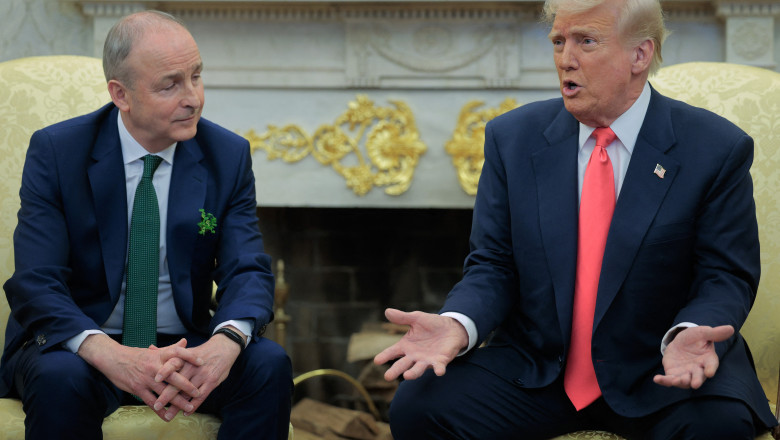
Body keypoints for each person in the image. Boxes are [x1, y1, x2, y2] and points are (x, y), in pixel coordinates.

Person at [374, 0, 778, 438]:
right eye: (558, 41)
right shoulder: (513, 139)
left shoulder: (714, 148)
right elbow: (493, 264)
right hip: (540, 368)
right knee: (419, 406)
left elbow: (725, 274)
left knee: (718, 425)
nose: (565, 59)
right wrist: (458, 323)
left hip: (661, 367)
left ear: (639, 55)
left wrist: (691, 331)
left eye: (586, 41)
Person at [0, 10, 292, 440]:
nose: (193, 98)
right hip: (82, 346)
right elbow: (36, 281)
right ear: (121, 94)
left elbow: (247, 268)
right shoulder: (58, 153)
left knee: (268, 364)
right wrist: (111, 354)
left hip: (184, 345)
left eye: (196, 76)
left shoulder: (226, 156)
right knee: (60, 378)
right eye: (170, 85)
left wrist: (226, 342)